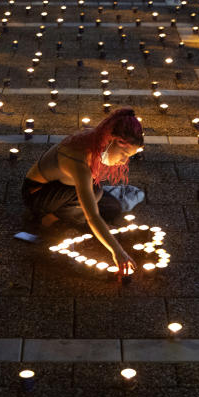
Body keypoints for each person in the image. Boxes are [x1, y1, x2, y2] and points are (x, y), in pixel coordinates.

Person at [22, 107, 144, 276]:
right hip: (39, 193)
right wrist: (117, 251)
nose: (124, 161)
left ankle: (67, 214)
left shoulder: (98, 139)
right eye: (124, 154)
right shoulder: (77, 158)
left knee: (110, 205)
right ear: (114, 140)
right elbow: (92, 216)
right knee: (93, 209)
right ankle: (46, 217)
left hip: (65, 187)